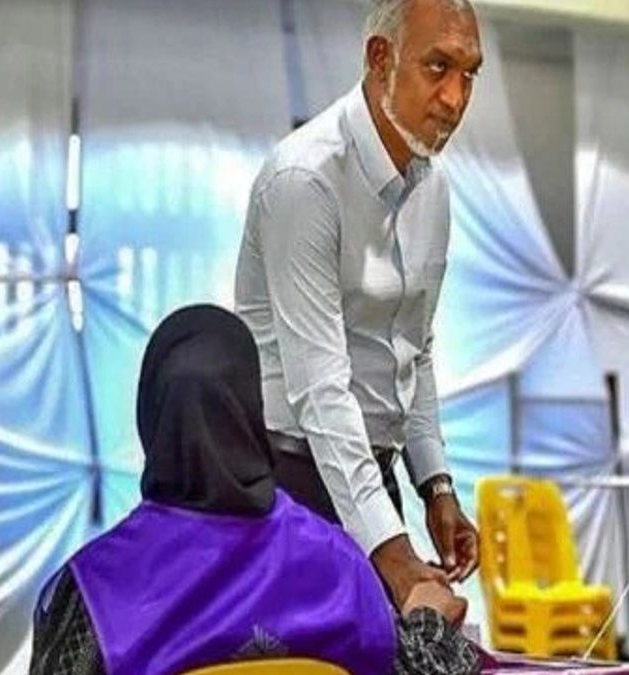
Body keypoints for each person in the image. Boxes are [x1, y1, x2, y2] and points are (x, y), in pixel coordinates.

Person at [28, 305, 479, 675]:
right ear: (253, 409)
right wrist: (430, 620)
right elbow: (418, 668)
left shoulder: (94, 590)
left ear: (151, 415)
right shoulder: (338, 564)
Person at [234, 0, 483, 609]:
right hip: (289, 485)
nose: (454, 98)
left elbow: (414, 349)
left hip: (373, 477)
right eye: (438, 67)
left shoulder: (433, 186)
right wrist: (391, 553)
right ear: (381, 59)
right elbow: (321, 392)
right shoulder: (305, 181)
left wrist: (435, 485)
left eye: (470, 74)